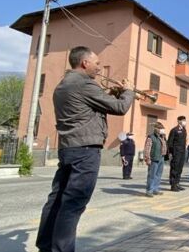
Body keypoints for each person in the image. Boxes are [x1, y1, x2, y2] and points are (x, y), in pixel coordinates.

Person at [36, 46, 134, 252]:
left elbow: (87, 106)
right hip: (85, 150)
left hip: (67, 148)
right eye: (97, 63)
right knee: (73, 203)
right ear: (85, 63)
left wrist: (110, 93)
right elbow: (119, 108)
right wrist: (129, 92)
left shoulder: (64, 85)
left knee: (57, 199)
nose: (99, 68)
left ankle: (45, 246)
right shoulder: (85, 84)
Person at [144, 122, 168, 197]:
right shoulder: (151, 137)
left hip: (161, 157)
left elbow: (164, 146)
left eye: (163, 129)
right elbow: (147, 149)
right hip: (154, 158)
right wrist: (147, 159)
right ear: (156, 129)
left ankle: (155, 189)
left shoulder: (163, 137)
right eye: (161, 129)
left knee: (158, 175)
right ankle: (149, 190)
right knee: (152, 175)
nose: (162, 130)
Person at [167, 116, 187, 192]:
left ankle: (177, 183)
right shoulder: (174, 130)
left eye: (185, 120)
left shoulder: (184, 130)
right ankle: (173, 185)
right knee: (174, 168)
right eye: (183, 120)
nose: (185, 122)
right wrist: (172, 152)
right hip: (176, 152)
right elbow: (170, 143)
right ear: (179, 121)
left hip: (182, 152)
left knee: (180, 168)